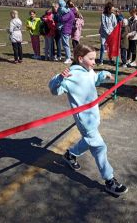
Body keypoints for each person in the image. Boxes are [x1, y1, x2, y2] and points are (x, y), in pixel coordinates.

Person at [49, 44, 128, 196]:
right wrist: (59, 78)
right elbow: (54, 89)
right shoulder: (71, 74)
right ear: (80, 58)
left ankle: (70, 154)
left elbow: (93, 80)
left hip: (94, 115)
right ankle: (109, 180)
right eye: (91, 58)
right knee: (100, 147)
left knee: (89, 140)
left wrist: (103, 74)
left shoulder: (89, 70)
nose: (94, 61)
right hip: (84, 120)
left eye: (94, 58)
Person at [58, 0, 75, 64]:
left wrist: (59, 16)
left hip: (66, 29)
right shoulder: (70, 12)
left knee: (65, 44)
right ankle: (68, 57)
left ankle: (68, 58)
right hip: (67, 29)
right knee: (66, 44)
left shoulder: (68, 13)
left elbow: (62, 19)